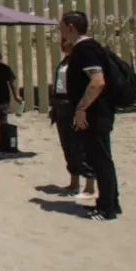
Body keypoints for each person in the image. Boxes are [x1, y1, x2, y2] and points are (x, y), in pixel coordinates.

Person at [60, 10, 121, 221]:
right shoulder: (87, 47)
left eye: (61, 25)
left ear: (70, 27)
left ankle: (107, 209)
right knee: (100, 158)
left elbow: (97, 81)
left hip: (95, 114)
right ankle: (110, 202)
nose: (59, 30)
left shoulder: (85, 49)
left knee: (100, 159)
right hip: (97, 112)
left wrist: (81, 108)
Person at [49, 32, 96, 200]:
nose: (63, 44)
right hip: (61, 104)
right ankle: (74, 181)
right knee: (67, 144)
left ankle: (90, 184)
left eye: (65, 40)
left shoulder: (82, 60)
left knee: (81, 145)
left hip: (74, 103)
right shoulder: (64, 62)